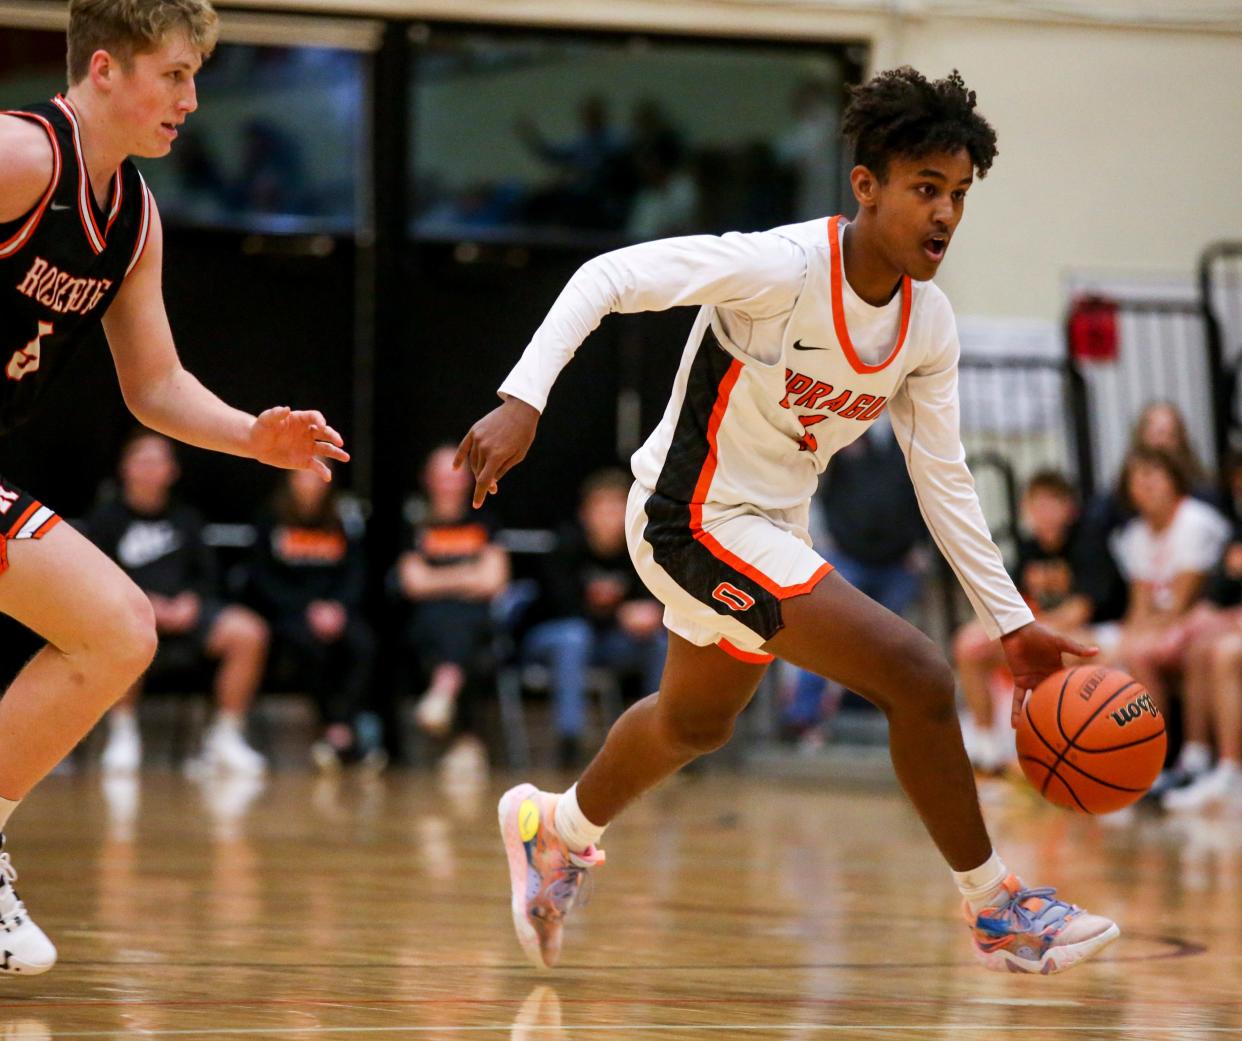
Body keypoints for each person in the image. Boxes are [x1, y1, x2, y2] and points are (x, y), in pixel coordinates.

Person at [458, 67, 1117, 975]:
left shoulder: (928, 326)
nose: (944, 215)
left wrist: (1012, 623)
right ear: (866, 185)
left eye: (958, 195)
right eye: (925, 189)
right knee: (916, 673)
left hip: (768, 528)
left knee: (695, 724)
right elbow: (607, 275)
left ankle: (553, 827)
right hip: (684, 518)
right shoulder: (779, 267)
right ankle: (998, 908)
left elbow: (945, 481)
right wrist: (523, 399)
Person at [0, 0, 347, 976]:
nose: (193, 99)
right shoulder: (24, 158)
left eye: (197, 77)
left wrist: (254, 436)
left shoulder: (133, 216)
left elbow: (154, 386)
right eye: (175, 74)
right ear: (104, 68)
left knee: (117, 628)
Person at [87, 430, 269, 776]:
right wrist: (144, 603)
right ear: (125, 468)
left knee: (249, 632)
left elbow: (208, 576)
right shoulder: (105, 521)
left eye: (159, 461)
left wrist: (192, 602)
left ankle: (226, 737)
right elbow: (93, 580)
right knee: (118, 630)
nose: (151, 468)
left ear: (173, 471)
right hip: (133, 617)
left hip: (187, 618)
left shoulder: (187, 518)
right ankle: (123, 734)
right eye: (143, 459)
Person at [953, 470, 1124, 773]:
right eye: (1036, 504)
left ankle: (1071, 755)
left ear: (1068, 508)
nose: (1042, 513)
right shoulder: (1027, 549)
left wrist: (1032, 627)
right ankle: (986, 747)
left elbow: (1080, 610)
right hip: (1042, 628)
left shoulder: (1088, 541)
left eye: (1050, 503)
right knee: (970, 645)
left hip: (1101, 632)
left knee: (1063, 652)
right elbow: (1011, 603)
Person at [1107, 446, 1230, 799]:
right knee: (1110, 652)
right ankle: (1134, 760)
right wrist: (1129, 638)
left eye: (1153, 475)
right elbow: (1140, 606)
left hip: (1201, 620)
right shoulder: (1135, 534)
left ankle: (1183, 758)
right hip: (1170, 626)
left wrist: (1138, 639)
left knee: (1146, 653)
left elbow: (1180, 603)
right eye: (1138, 478)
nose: (1145, 485)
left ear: (1174, 480)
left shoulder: (1195, 521)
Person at [522, 468, 666, 768]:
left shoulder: (639, 550)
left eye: (616, 508)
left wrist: (649, 615)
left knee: (657, 643)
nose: (608, 517)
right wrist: (616, 613)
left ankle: (663, 738)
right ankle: (570, 743)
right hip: (549, 639)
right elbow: (558, 607)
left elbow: (650, 604)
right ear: (585, 513)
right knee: (574, 637)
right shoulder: (565, 545)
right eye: (601, 508)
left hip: (607, 642)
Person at [250, 466, 380, 771]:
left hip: (336, 611)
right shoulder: (270, 518)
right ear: (290, 479)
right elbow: (261, 579)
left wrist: (337, 607)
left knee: (363, 644)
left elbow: (356, 573)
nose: (310, 482)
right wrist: (305, 608)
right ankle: (336, 729)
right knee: (308, 647)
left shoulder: (342, 520)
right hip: (289, 614)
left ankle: (340, 728)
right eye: (303, 474)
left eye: (317, 474)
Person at [397, 445, 509, 761]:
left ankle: (444, 692)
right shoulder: (415, 526)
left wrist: (437, 577)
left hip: (477, 622)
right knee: (447, 621)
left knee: (469, 626)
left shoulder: (484, 522)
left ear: (467, 481)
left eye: (455, 476)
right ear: (428, 481)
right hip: (426, 624)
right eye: (441, 477)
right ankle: (466, 741)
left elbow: (494, 580)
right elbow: (413, 584)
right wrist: (467, 574)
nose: (448, 484)